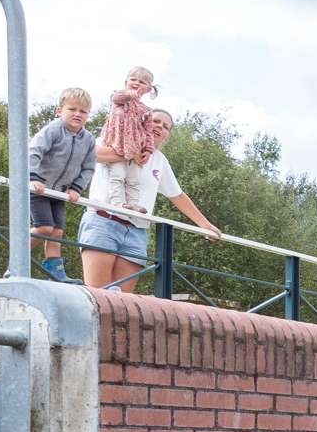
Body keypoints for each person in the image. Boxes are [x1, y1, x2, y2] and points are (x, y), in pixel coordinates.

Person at [79, 109, 220, 292]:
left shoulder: (160, 161)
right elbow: (91, 154)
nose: (159, 127)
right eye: (155, 121)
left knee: (122, 302)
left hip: (136, 232)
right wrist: (129, 153)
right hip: (103, 221)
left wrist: (205, 225)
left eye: (165, 126)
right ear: (143, 122)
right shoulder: (113, 139)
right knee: (97, 295)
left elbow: (176, 195)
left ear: (166, 136)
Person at [26, 88, 95, 283]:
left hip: (60, 192)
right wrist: (33, 177)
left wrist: (76, 188)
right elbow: (34, 151)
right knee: (44, 227)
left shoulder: (88, 139)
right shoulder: (53, 130)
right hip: (39, 187)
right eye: (72, 109)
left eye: (83, 111)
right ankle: (16, 261)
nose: (77, 114)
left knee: (57, 232)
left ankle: (55, 273)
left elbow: (88, 168)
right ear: (59, 111)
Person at [93, 67, 158, 213]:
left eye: (142, 82)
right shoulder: (119, 98)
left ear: (148, 89)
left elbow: (148, 131)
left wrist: (148, 149)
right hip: (117, 144)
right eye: (133, 80)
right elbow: (118, 98)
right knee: (118, 175)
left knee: (133, 179)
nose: (136, 83)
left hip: (135, 148)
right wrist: (130, 94)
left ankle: (133, 203)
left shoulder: (146, 109)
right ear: (126, 82)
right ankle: (117, 202)